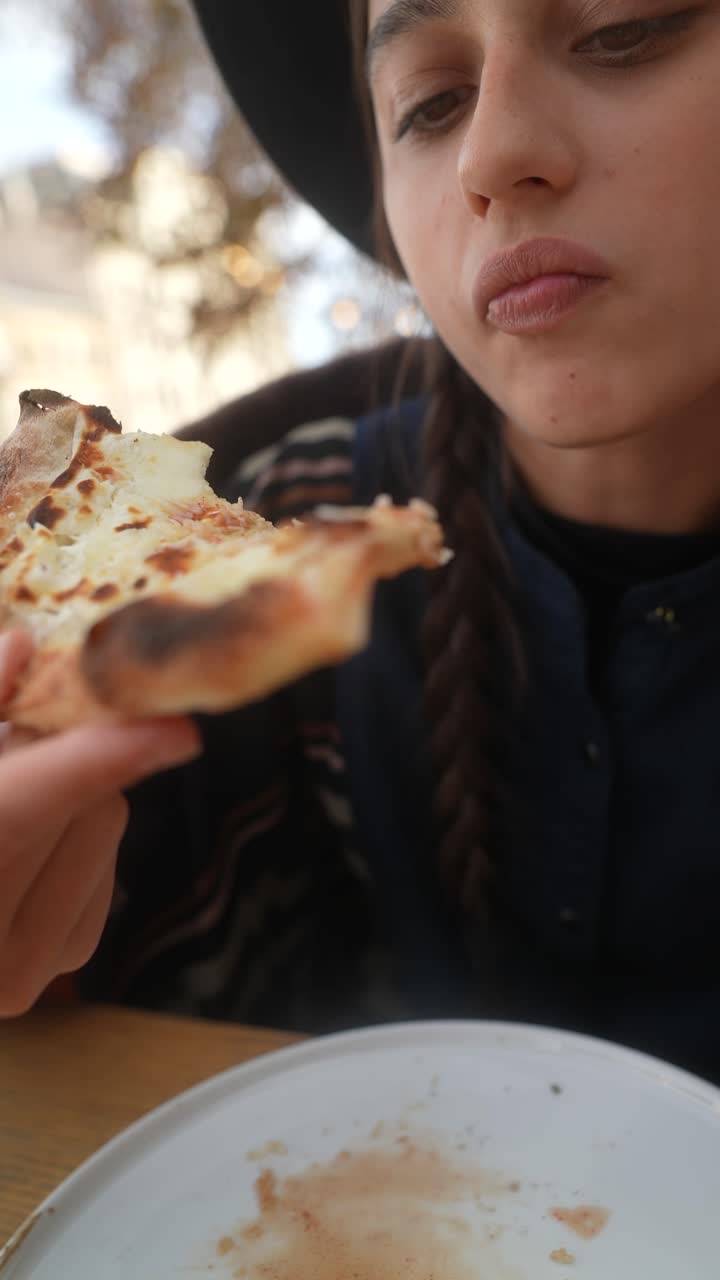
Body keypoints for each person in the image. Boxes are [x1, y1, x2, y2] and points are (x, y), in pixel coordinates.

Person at [2, 0, 720, 1083]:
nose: (493, 153)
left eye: (623, 29)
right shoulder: (267, 547)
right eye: (428, 104)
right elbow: (119, 962)